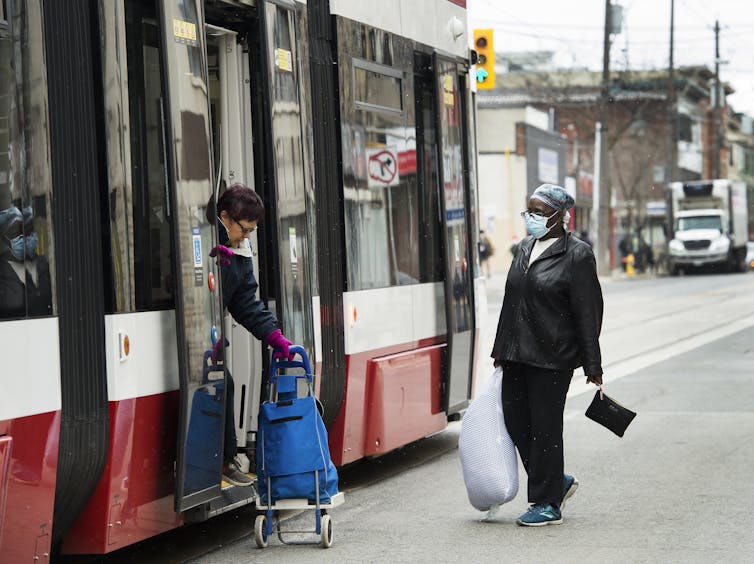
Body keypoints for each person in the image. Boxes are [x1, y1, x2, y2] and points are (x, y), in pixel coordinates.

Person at [491, 183, 603, 527]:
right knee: (515, 422)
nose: (532, 218)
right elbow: (512, 302)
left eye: (539, 212)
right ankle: (556, 481)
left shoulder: (577, 254)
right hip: (516, 355)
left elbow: (588, 311)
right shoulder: (524, 248)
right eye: (529, 211)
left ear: (559, 216)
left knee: (545, 429)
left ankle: (547, 501)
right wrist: (501, 350)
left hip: (552, 357)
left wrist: (592, 363)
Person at [208, 184, 295, 486]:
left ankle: (222, 460)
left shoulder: (239, 253)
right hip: (193, 337)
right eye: (244, 230)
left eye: (251, 231)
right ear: (224, 218)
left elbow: (247, 304)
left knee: (223, 384)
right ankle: (219, 460)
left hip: (210, 339)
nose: (246, 237)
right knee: (224, 385)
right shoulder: (204, 242)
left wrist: (275, 338)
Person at [0, 205, 52, 319]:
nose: (24, 238)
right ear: (3, 238)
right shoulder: (3, 271)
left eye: (29, 230)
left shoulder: (44, 264)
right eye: (15, 233)